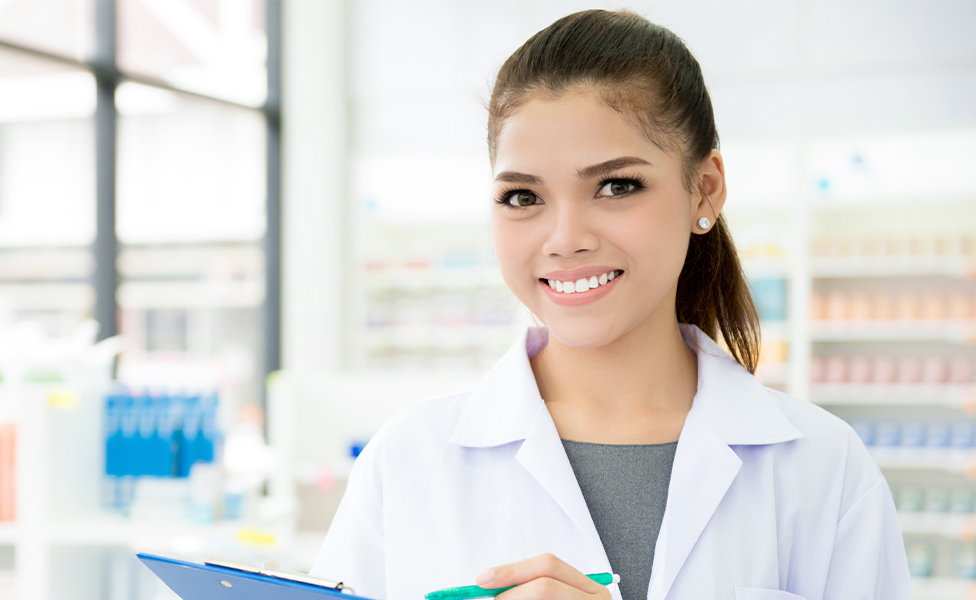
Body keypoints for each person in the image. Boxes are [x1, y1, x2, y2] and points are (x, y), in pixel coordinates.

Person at [310, 9, 910, 600]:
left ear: (705, 188)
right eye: (523, 196)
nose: (565, 237)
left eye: (616, 186)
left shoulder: (825, 470)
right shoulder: (406, 464)